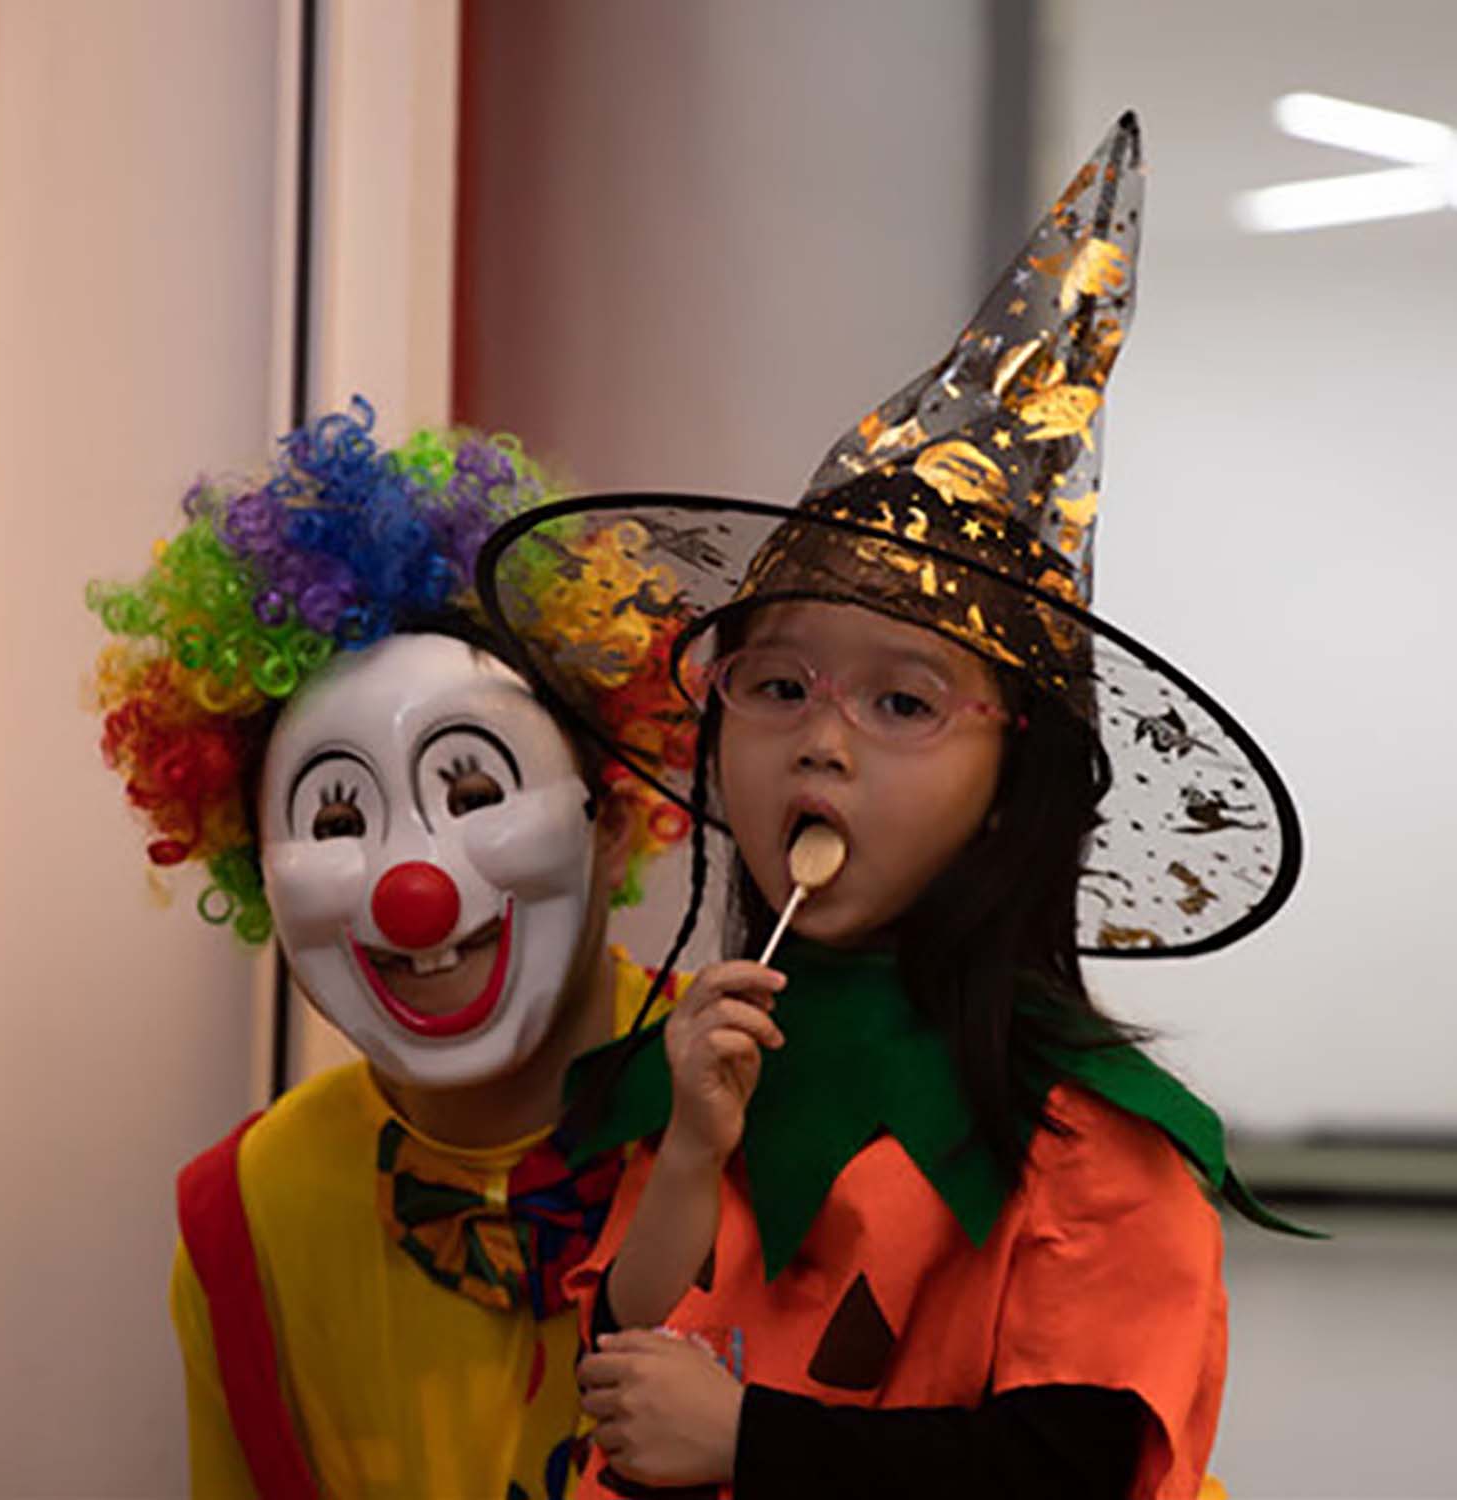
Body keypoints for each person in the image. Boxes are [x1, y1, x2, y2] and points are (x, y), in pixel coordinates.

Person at [476, 114, 1312, 1499]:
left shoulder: (1093, 1139)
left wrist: (754, 1441)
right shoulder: (699, 1074)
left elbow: (1076, 1463)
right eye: (777, 686)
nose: (822, 742)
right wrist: (689, 1153)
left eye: (904, 704)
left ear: (1012, 785)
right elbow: (621, 1363)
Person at [87, 402, 697, 1499]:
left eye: (474, 793)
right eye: (335, 819)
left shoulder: (769, 1096)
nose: (413, 890)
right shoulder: (250, 1210)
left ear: (609, 825)